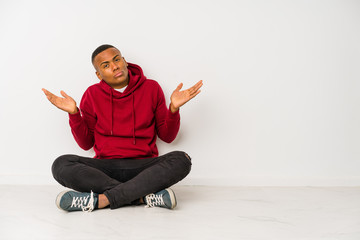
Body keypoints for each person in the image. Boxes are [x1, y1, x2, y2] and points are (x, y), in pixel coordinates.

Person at [42, 44, 203, 212]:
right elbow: (85, 144)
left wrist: (173, 109)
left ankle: (101, 200)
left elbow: (168, 137)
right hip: (105, 169)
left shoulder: (152, 88)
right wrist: (74, 114)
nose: (114, 66)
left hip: (143, 167)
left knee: (182, 159)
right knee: (61, 164)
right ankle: (142, 196)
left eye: (117, 59)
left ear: (124, 61)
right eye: (106, 65)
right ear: (99, 74)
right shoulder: (92, 94)